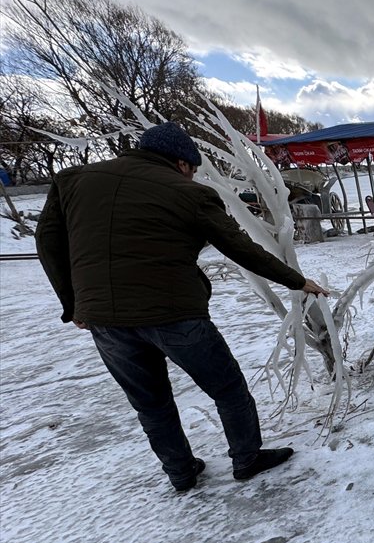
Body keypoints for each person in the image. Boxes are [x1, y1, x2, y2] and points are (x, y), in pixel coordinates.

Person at [35, 122, 331, 492]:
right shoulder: (189, 193)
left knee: (150, 403)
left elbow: (47, 239)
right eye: (191, 168)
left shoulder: (72, 180)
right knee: (228, 388)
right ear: (180, 162)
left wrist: (74, 302)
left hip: (104, 320)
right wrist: (297, 280)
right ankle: (247, 457)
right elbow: (238, 247)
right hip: (174, 313)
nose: (192, 176)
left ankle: (180, 472)